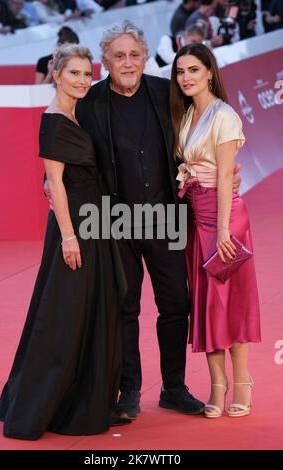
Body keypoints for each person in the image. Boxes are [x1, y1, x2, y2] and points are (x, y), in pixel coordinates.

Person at [45, 21, 242, 419]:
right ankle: (129, 390)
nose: (128, 62)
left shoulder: (165, 91)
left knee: (176, 304)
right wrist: (48, 181)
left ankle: (173, 387)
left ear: (145, 56)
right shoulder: (90, 102)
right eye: (119, 56)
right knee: (124, 306)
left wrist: (226, 170)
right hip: (115, 220)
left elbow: (206, 131)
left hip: (166, 216)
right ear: (105, 62)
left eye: (135, 54)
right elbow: (66, 148)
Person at [0, 44, 129, 440]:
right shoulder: (54, 120)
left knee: (96, 306)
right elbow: (54, 181)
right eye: (74, 74)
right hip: (77, 228)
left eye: (88, 74)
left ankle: (88, 397)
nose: (83, 81)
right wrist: (70, 237)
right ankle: (46, 402)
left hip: (96, 221)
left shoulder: (79, 112)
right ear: (56, 74)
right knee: (67, 311)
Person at [170, 43, 261, 418]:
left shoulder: (224, 115)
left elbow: (226, 175)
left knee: (231, 302)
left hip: (225, 220)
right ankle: (216, 386)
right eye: (181, 72)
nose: (187, 78)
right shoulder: (187, 115)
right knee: (205, 303)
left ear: (210, 71)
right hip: (197, 218)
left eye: (194, 69)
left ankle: (242, 382)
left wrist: (224, 230)